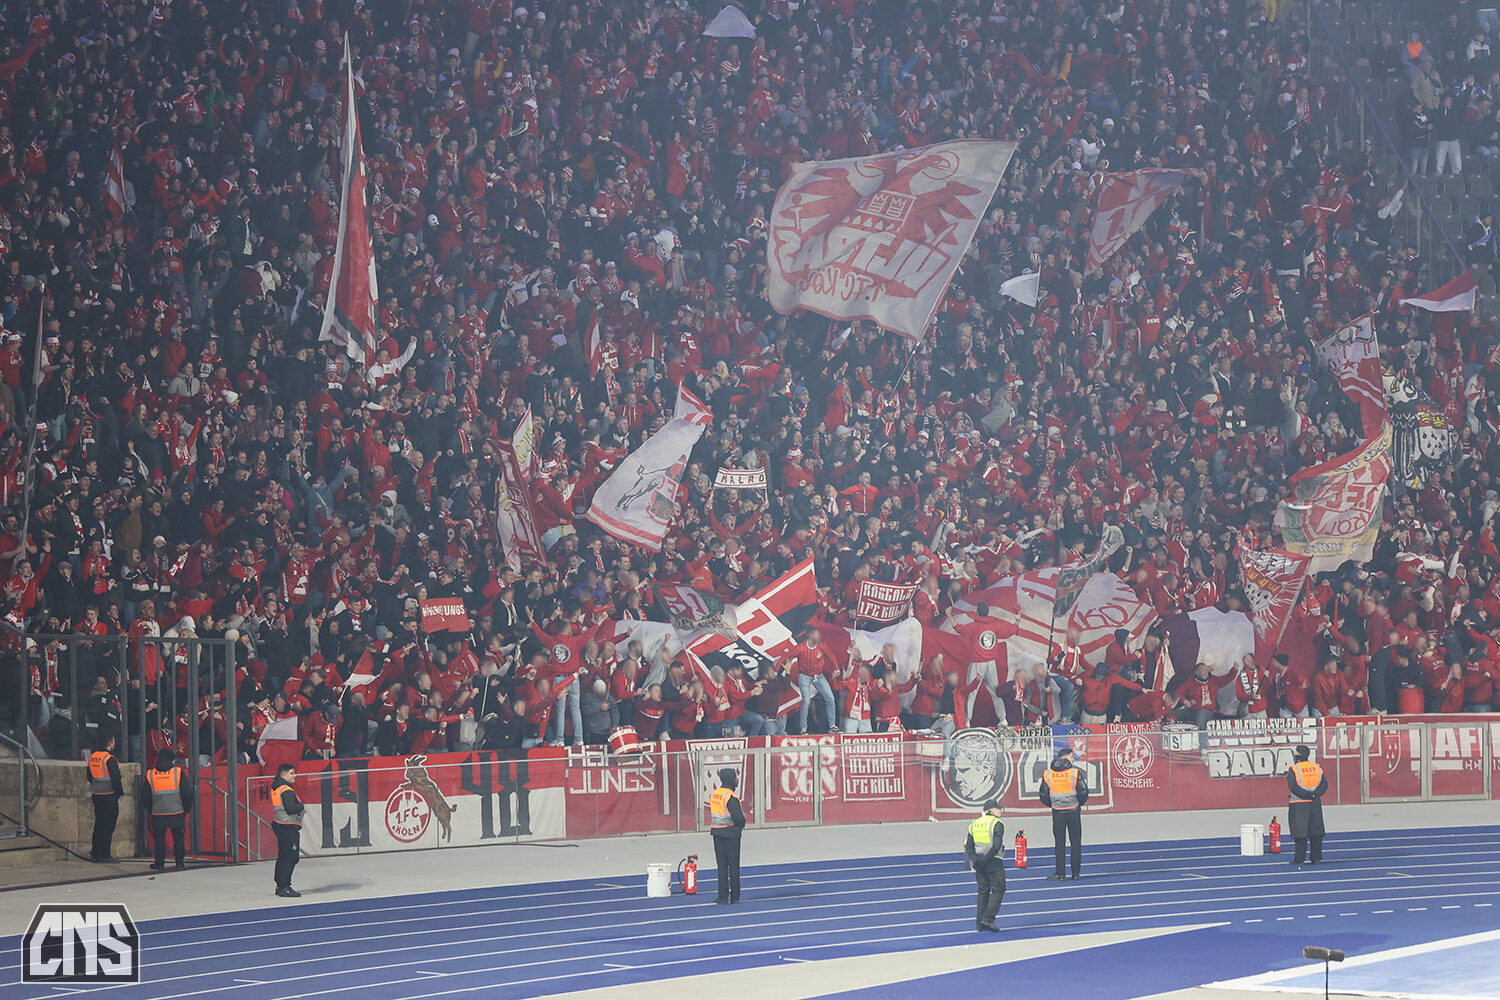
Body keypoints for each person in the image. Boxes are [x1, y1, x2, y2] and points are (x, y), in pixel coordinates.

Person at [1039, 747, 1089, 881]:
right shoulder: (1075, 773)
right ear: (1065, 758)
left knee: (1059, 843)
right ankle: (1076, 874)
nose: (1073, 759)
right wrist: (1079, 803)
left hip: (1057, 812)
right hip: (1074, 810)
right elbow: (1083, 792)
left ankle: (1060, 874)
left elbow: (1043, 794)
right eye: (1072, 757)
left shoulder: (1048, 774)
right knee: (1076, 842)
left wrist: (1054, 805)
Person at [141, 748, 193, 871]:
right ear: (172, 760)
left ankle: (159, 863)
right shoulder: (178, 772)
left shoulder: (151, 774)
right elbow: (188, 793)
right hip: (177, 811)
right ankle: (179, 863)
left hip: (158, 812)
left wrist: (151, 810)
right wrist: (185, 809)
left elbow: (145, 796)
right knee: (178, 838)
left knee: (159, 838)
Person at [964, 799, 1006, 933]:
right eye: (998, 808)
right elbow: (996, 845)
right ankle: (988, 918)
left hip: (978, 862)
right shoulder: (996, 823)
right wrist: (987, 859)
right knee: (999, 888)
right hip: (993, 861)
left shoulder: (974, 824)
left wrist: (975, 859)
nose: (1000, 810)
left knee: (983, 891)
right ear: (991, 810)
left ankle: (980, 922)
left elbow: (968, 845)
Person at [707, 766, 746, 904]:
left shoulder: (716, 793)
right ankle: (735, 896)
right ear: (731, 779)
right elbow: (738, 817)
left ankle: (722, 896)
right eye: (735, 777)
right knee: (733, 867)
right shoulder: (730, 796)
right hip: (731, 833)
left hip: (717, 832)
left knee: (722, 866)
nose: (737, 779)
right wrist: (742, 824)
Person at [1286, 745, 1327, 866]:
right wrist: (1314, 795)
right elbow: (1324, 784)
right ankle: (1316, 858)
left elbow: (1293, 786)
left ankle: (1299, 859)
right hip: (1314, 804)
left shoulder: (1294, 769)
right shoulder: (1317, 768)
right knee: (1316, 831)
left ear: (1298, 755)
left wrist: (1307, 795)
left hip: (1299, 804)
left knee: (1300, 832)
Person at [270, 763, 306, 897]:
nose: (294, 775)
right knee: (291, 856)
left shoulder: (277, 787)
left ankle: (280, 884)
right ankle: (284, 886)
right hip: (288, 827)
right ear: (284, 775)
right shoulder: (286, 790)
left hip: (281, 824)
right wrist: (300, 806)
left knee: (283, 855)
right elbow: (291, 809)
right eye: (291, 773)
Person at [87, 734, 123, 862]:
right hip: (109, 796)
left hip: (97, 795)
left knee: (99, 824)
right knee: (108, 826)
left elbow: (89, 776)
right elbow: (116, 779)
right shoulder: (109, 759)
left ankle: (95, 852)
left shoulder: (93, 757)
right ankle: (104, 854)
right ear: (111, 742)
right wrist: (119, 793)